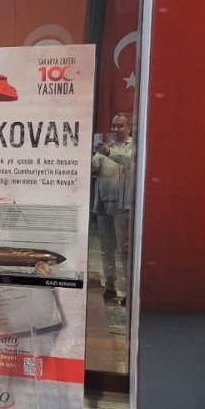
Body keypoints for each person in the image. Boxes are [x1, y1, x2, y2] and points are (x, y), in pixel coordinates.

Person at [92, 111, 134, 305]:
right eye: (114, 125)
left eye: (120, 126)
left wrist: (108, 153)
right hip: (103, 205)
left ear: (129, 128)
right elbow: (93, 167)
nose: (116, 129)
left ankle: (129, 292)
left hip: (121, 207)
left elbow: (128, 162)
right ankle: (110, 287)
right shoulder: (105, 147)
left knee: (124, 251)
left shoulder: (132, 147)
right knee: (106, 249)